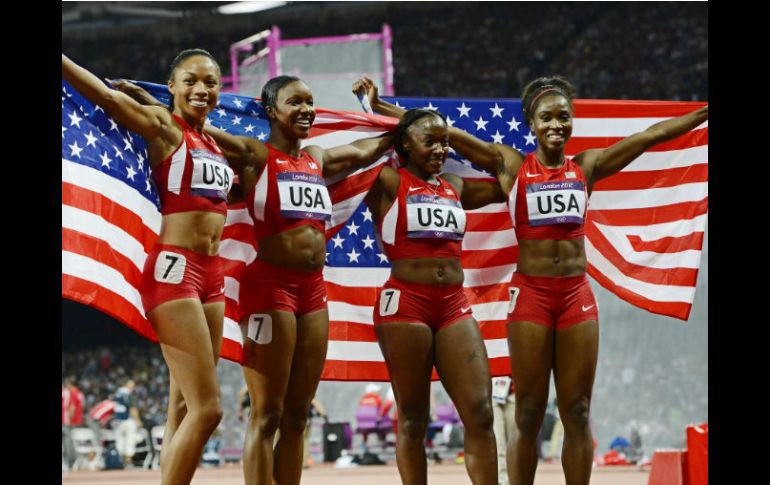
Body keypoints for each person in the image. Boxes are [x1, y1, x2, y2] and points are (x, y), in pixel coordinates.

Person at [355, 74, 708, 485]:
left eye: (564, 117)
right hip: (531, 298)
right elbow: (442, 130)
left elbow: (649, 136)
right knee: (528, 411)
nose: (557, 124)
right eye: (547, 118)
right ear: (531, 123)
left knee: (576, 410)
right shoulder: (511, 165)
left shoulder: (587, 166)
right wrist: (383, 109)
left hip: (576, 295)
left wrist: (703, 113)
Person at [113, 74, 394, 485]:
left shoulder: (316, 157)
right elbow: (198, 126)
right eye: (294, 102)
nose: (305, 109)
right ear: (271, 111)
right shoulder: (255, 155)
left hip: (313, 293)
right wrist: (158, 101)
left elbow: (364, 150)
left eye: (309, 101)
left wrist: (392, 121)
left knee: (298, 415)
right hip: (268, 289)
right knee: (268, 414)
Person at [63, 49, 230, 485]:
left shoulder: (213, 141)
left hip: (213, 276)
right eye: (191, 80)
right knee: (209, 410)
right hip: (175, 272)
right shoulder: (164, 129)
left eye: (210, 82)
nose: (202, 89)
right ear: (172, 86)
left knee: (183, 407)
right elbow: (105, 96)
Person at [350, 83, 501, 484]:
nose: (440, 150)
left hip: (453, 304)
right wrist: (384, 113)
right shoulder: (384, 182)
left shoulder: (457, 185)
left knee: (480, 412)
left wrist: (447, 133)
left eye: (444, 143)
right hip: (406, 305)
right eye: (429, 142)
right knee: (414, 417)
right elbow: (347, 161)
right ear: (404, 145)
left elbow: (510, 177)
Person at [491, 376, 517, 485]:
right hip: (491, 393)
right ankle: (502, 481)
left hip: (514, 392)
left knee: (515, 443)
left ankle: (516, 480)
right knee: (497, 442)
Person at [112, 380, 143, 467]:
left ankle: (119, 461)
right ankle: (128, 461)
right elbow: (132, 407)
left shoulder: (117, 393)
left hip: (117, 421)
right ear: (126, 385)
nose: (133, 387)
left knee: (120, 441)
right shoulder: (127, 393)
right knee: (130, 439)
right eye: (131, 385)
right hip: (127, 420)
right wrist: (137, 420)